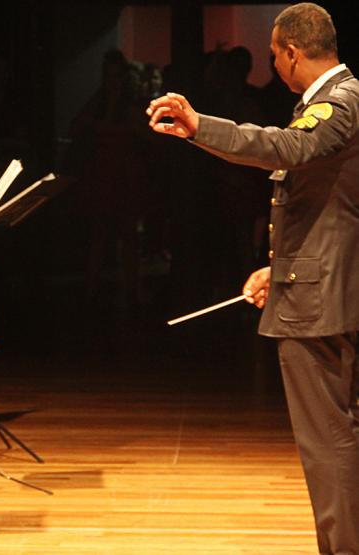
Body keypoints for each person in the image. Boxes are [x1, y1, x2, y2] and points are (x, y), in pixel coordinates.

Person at [147, 4, 359, 553]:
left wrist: (199, 127)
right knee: (337, 438)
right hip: (320, 287)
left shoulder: (338, 103)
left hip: (322, 307)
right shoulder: (334, 103)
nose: (274, 65)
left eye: (274, 55)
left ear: (291, 51)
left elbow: (286, 147)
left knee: (328, 442)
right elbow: (333, 211)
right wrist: (280, 270)